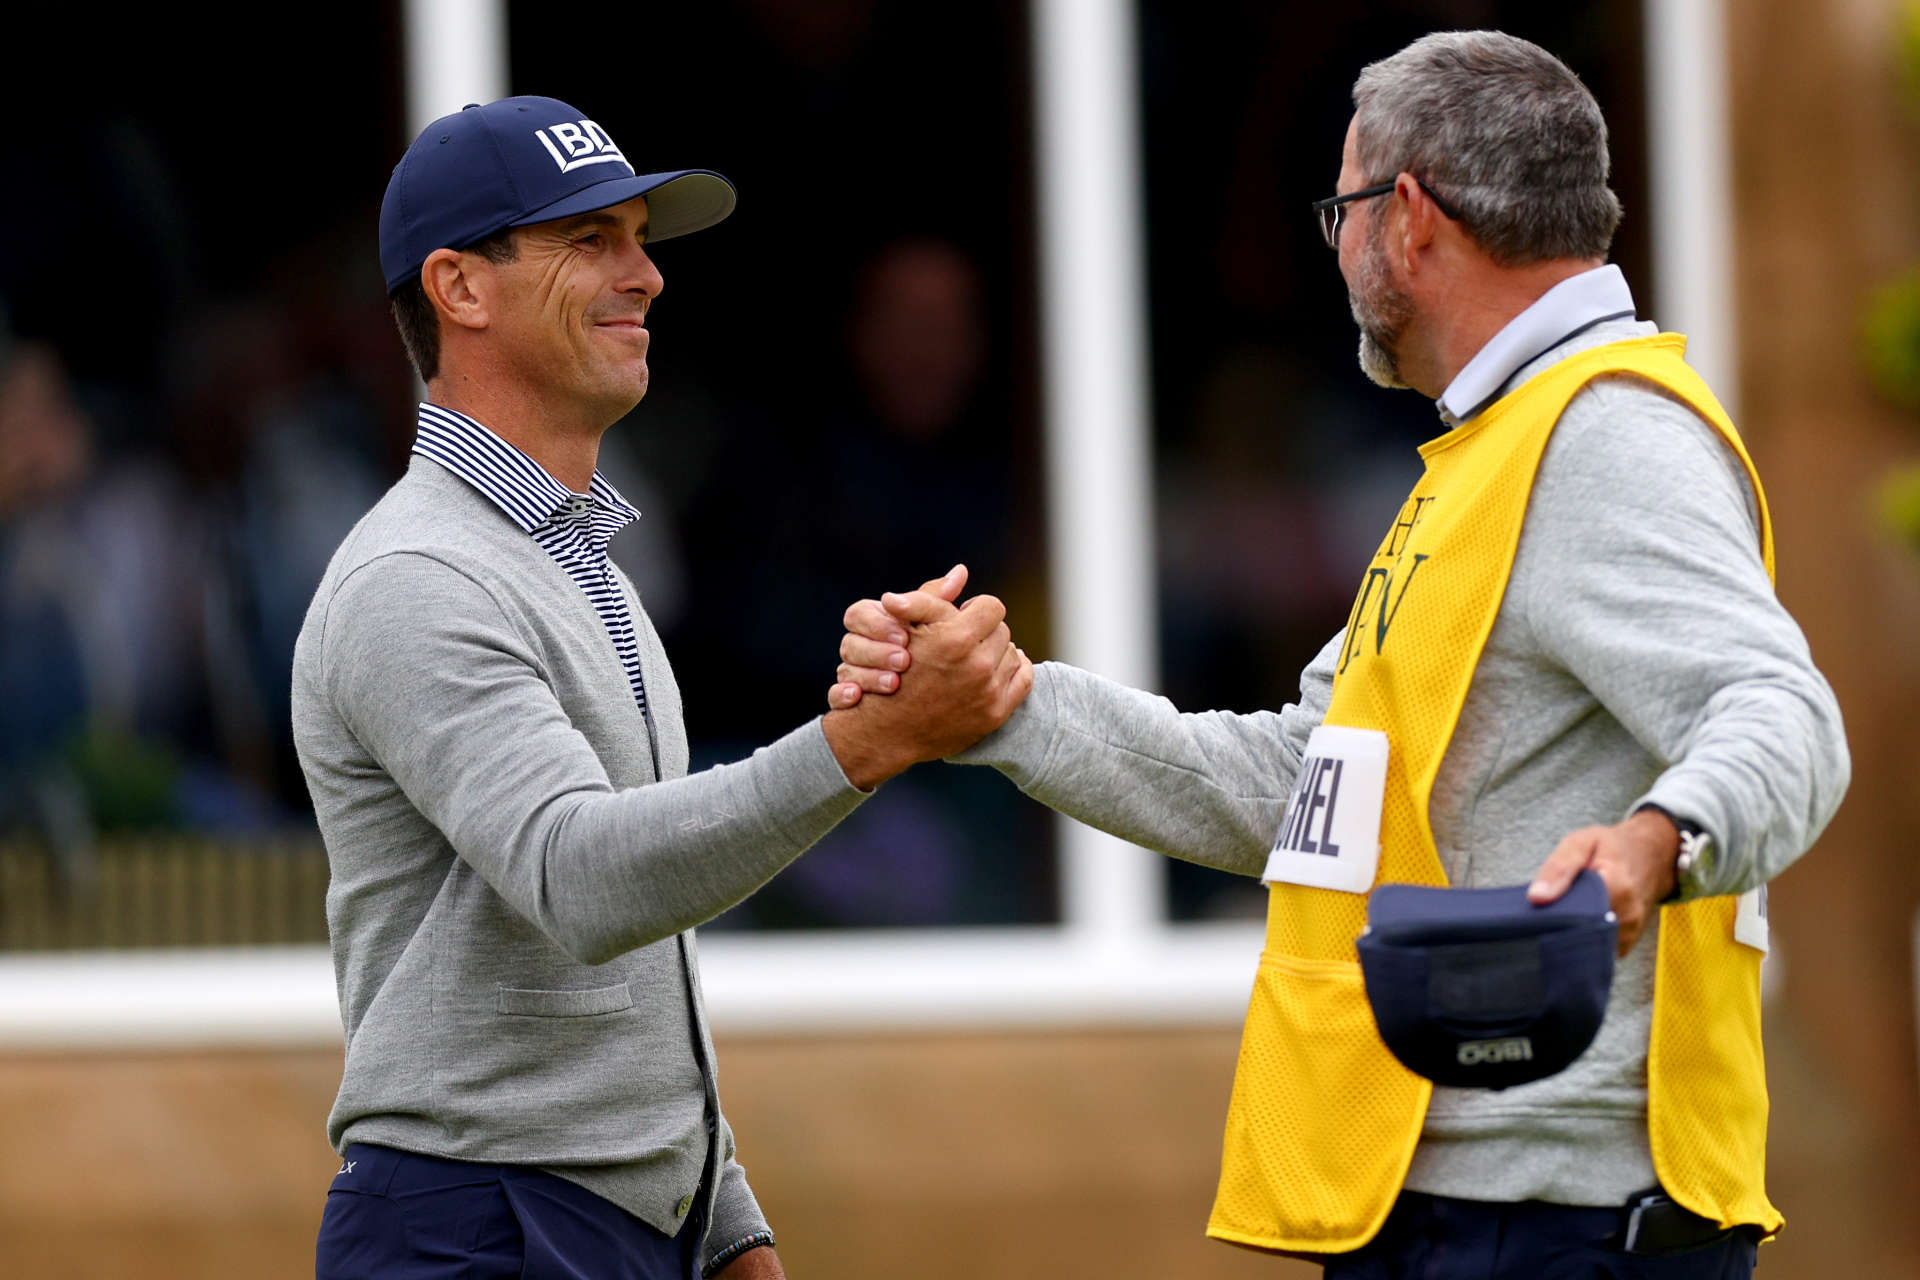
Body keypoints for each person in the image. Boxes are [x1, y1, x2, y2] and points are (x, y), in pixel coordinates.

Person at [834, 31, 1849, 1278]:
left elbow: (1785, 712)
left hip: (1555, 1228)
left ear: (1408, 219)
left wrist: (1655, 838)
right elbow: (1301, 787)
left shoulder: (1602, 439)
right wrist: (1002, 706)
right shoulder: (1503, 446)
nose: (1337, 249)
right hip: (1473, 1216)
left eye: (1342, 209)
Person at [292, 96, 1031, 1280]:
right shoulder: (414, 578)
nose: (646, 275)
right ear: (459, 288)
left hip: (606, 1227)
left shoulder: (586, 568)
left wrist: (723, 1218)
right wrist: (869, 743)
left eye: (639, 237)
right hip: (476, 1226)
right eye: (590, 239)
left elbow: (645, 956)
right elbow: (586, 878)